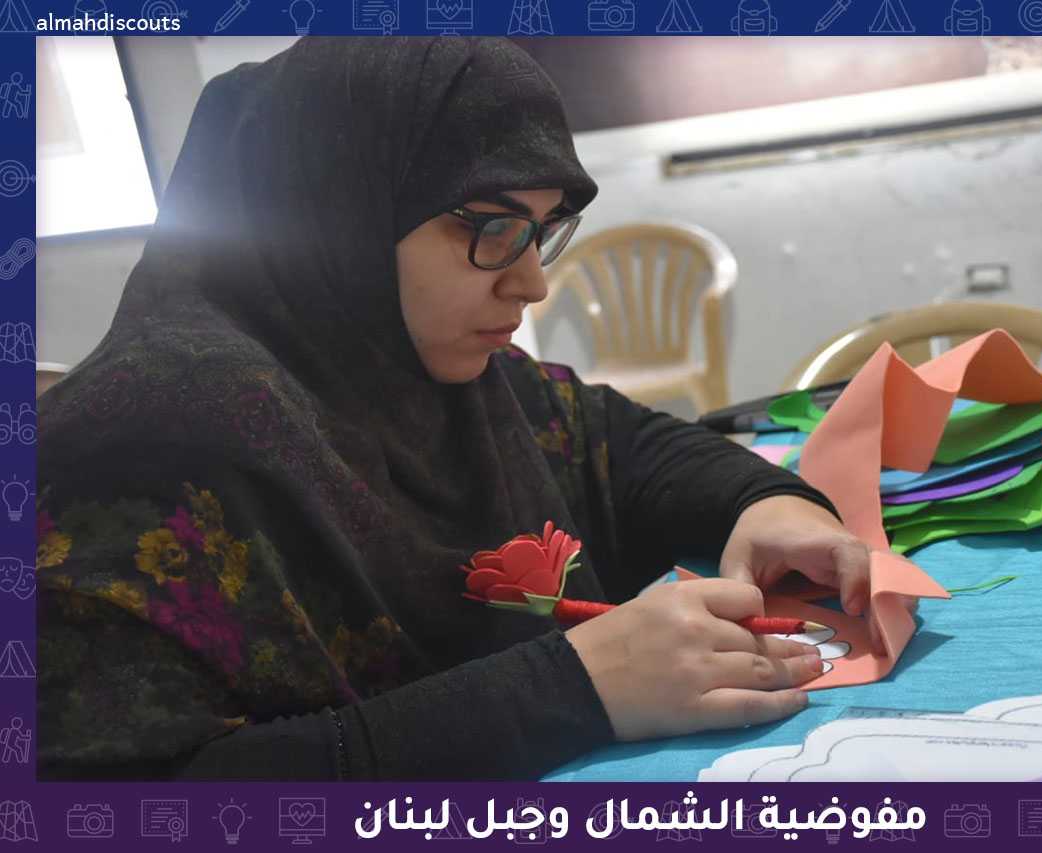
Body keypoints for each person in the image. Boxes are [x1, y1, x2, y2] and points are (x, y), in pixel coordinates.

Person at [35, 37, 869, 781]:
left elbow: (616, 442)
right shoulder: (150, 435)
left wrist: (763, 501)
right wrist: (573, 686)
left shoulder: (431, 371)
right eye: (493, 228)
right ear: (339, 213)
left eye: (543, 229)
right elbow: (126, 795)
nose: (532, 282)